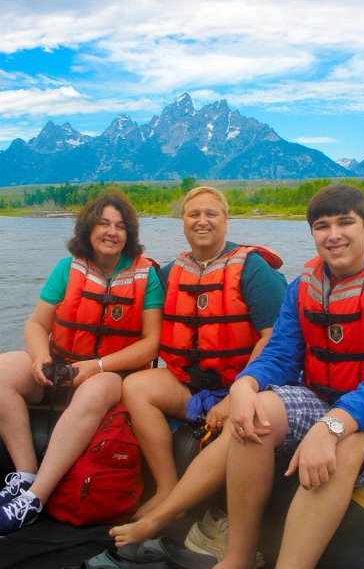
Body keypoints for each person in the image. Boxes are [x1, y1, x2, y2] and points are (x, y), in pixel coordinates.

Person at [214, 183, 364, 569]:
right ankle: (239, 557)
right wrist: (245, 383)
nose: (333, 235)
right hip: (326, 400)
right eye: (321, 226)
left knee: (345, 445)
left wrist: (332, 425)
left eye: (345, 222)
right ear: (312, 233)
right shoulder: (303, 287)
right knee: (258, 412)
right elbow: (281, 354)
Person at [112, 186, 287, 526]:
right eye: (194, 214)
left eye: (211, 214)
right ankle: (166, 488)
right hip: (188, 384)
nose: (202, 221)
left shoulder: (252, 268)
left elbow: (276, 338)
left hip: (244, 384)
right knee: (135, 387)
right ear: (183, 223)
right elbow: (141, 319)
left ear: (226, 221)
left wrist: (240, 393)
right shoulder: (169, 272)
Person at [0, 190, 164, 536]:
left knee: (97, 388)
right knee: (2, 371)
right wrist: (39, 356)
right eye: (103, 223)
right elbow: (35, 324)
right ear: (88, 228)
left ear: (129, 234)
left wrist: (99, 365)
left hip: (111, 375)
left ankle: (34, 498)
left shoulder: (145, 275)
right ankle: (25, 472)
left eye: (120, 226)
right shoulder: (67, 267)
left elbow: (151, 344)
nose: (111, 232)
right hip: (61, 365)